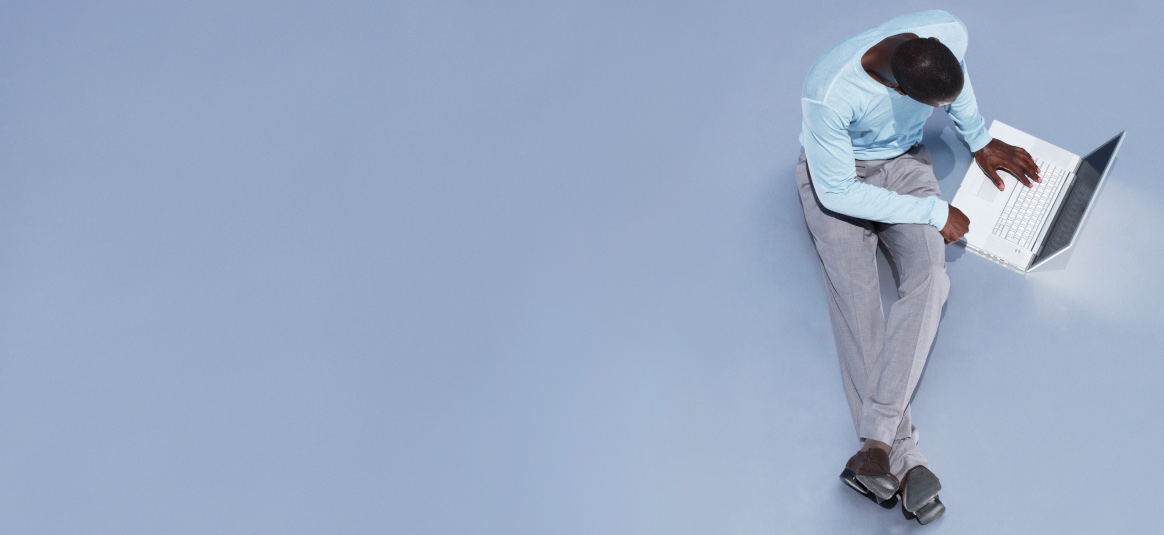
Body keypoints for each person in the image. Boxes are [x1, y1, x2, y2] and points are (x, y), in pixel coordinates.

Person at [796, 10, 1040, 524]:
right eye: (937, 108)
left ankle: (876, 448)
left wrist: (977, 138)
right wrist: (934, 211)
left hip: (906, 165)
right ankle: (904, 457)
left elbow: (960, 81)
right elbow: (837, 191)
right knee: (859, 305)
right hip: (838, 181)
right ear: (901, 93)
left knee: (932, 277)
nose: (945, 113)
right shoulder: (829, 92)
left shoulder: (945, 31)